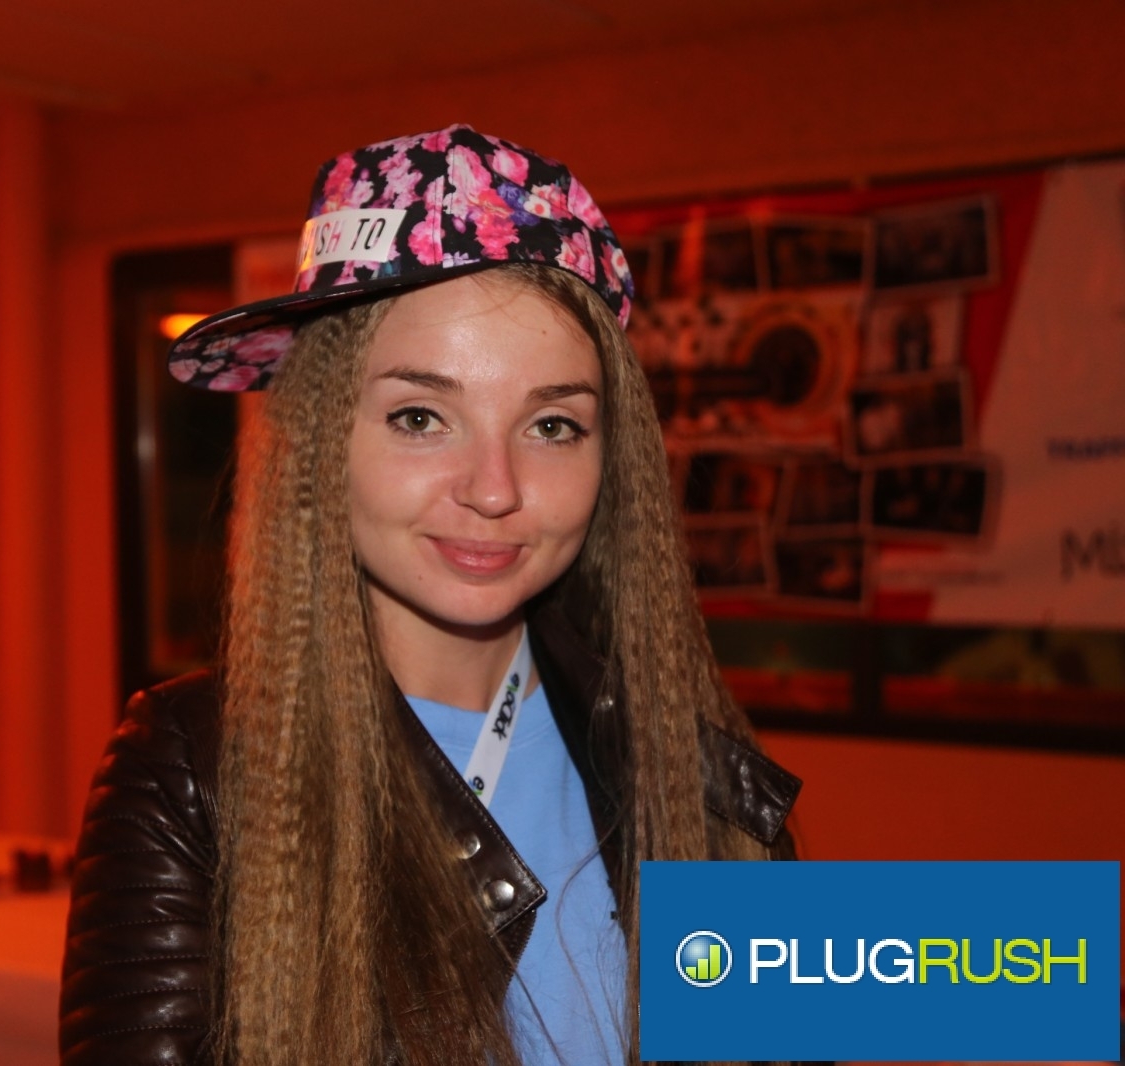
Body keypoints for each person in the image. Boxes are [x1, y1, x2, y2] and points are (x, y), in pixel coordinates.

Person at [60, 125, 802, 1066]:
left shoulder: (687, 763)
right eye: (421, 417)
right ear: (324, 438)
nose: (494, 488)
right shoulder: (191, 775)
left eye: (551, 424)